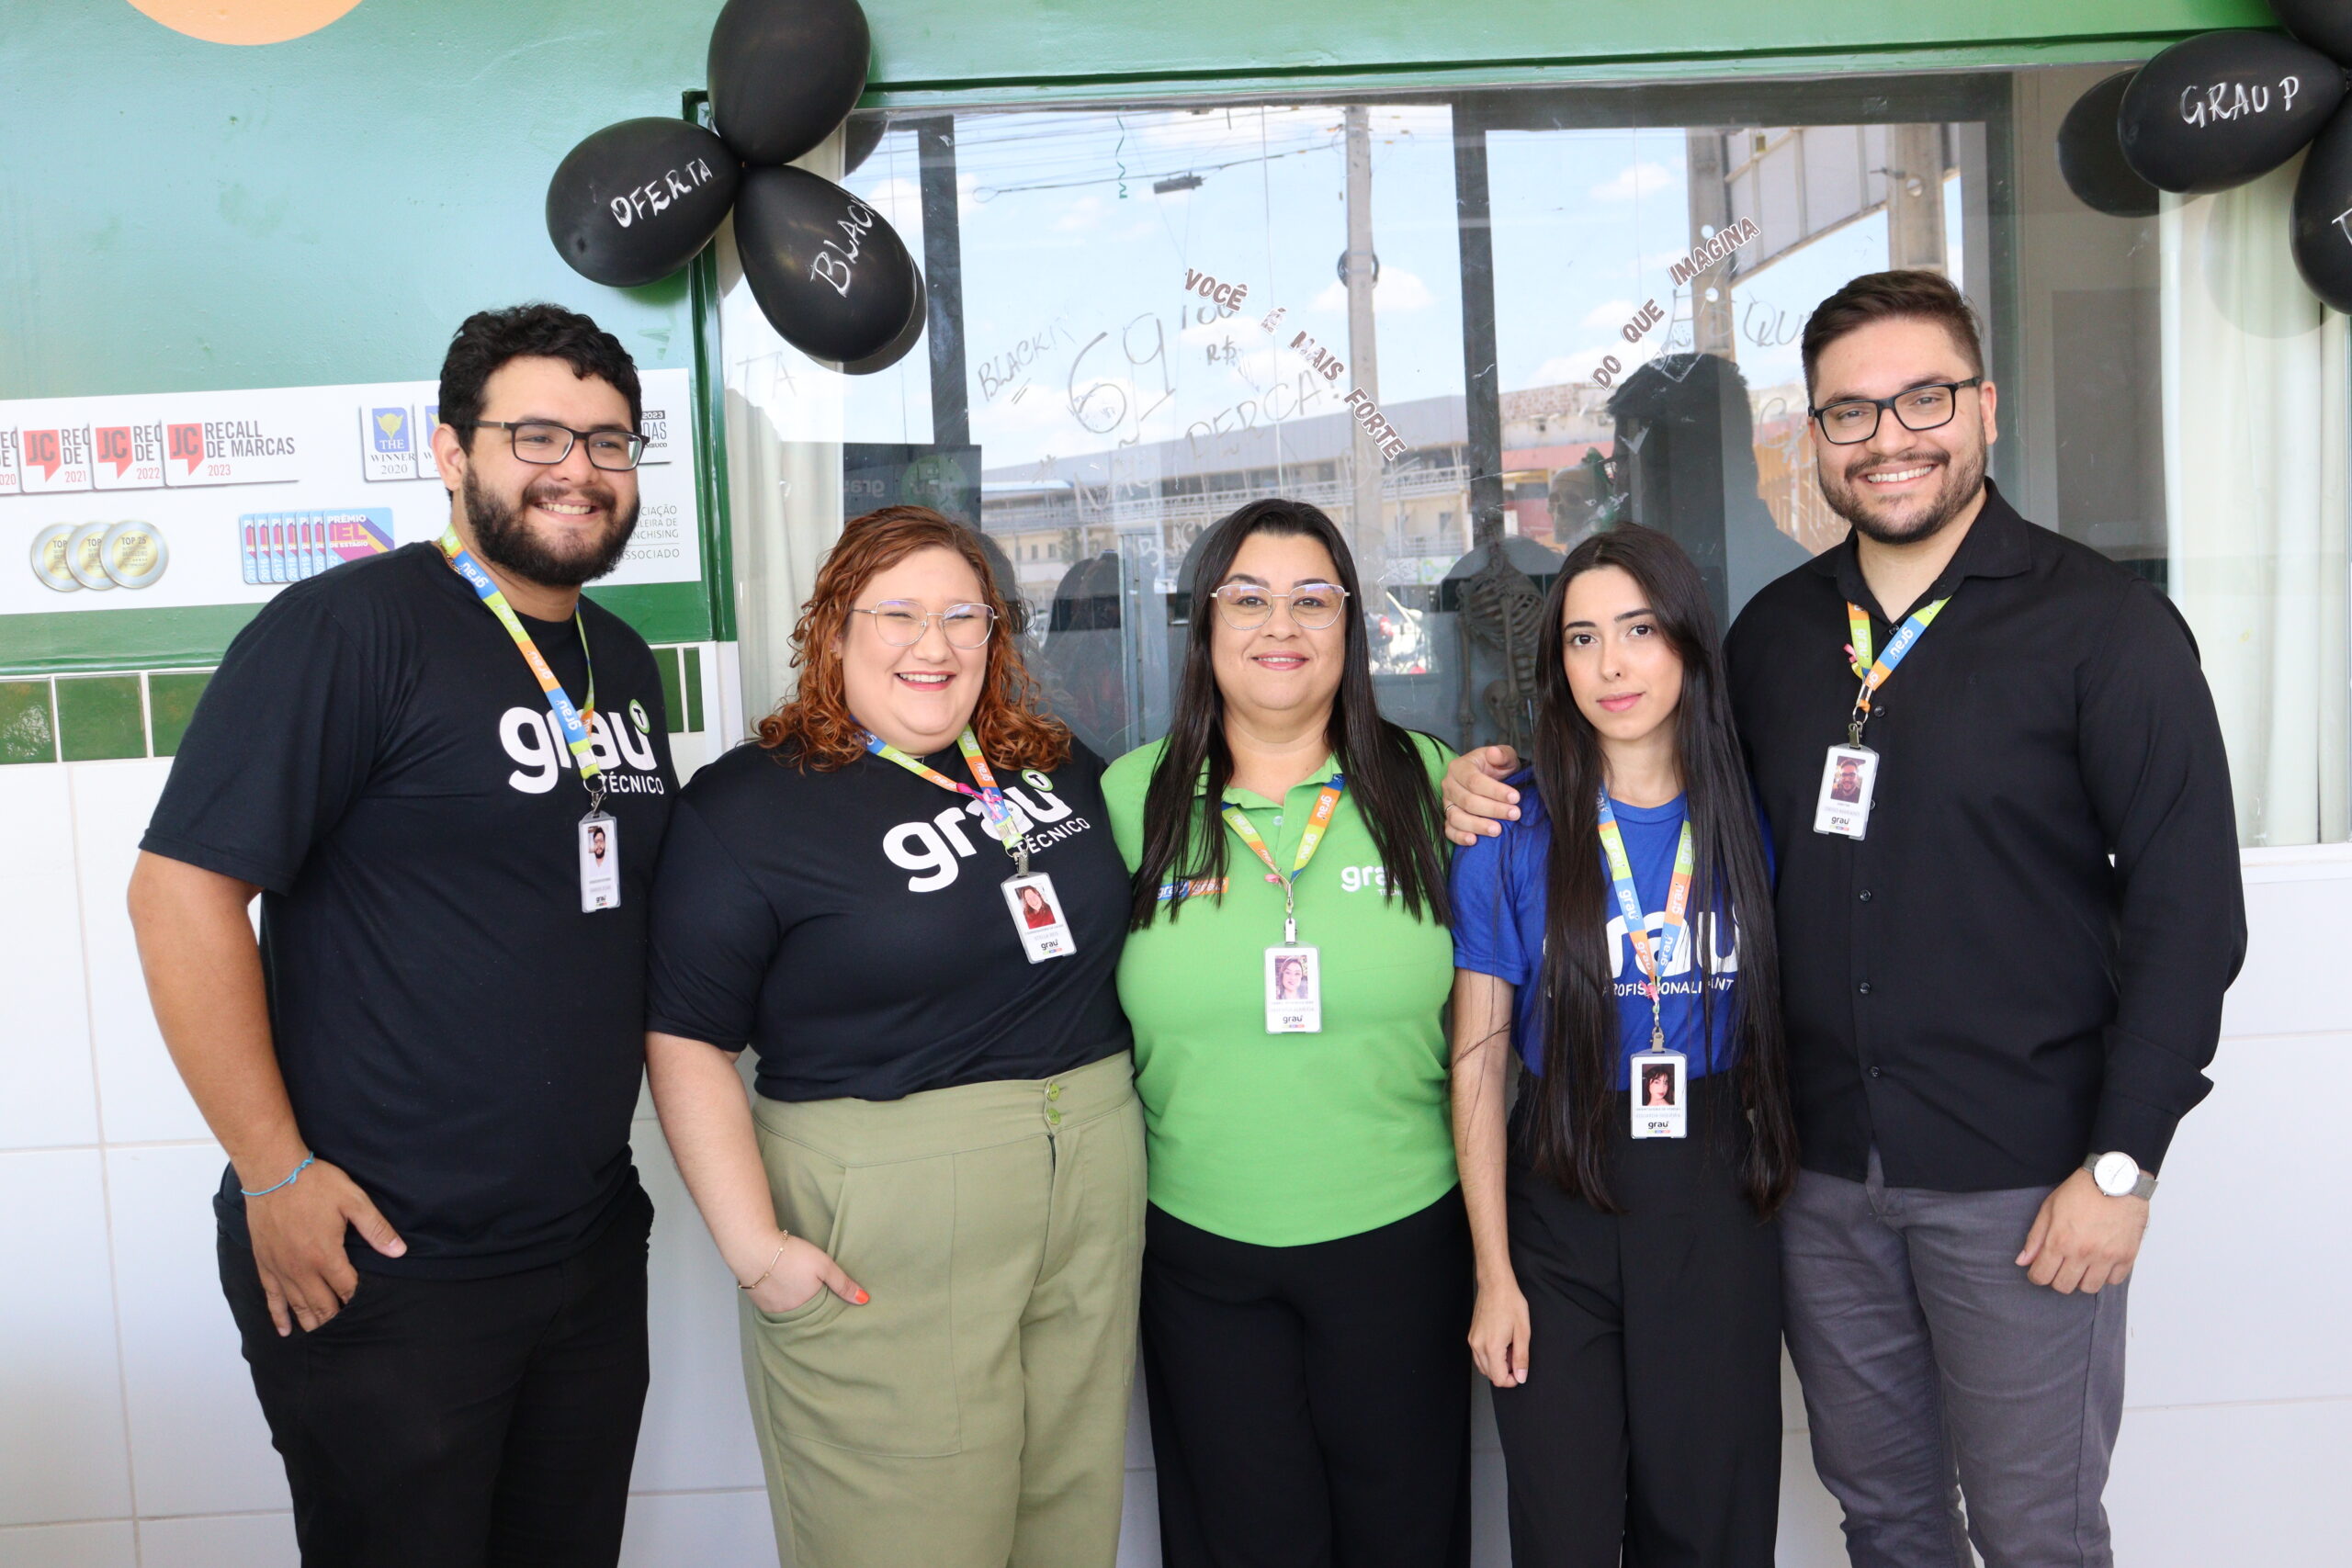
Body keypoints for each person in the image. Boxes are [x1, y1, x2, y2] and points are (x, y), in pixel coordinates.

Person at [1444, 271, 2245, 1568]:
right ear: (1812, 438)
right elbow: (1649, 769)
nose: (1890, 437)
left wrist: (2121, 1164)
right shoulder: (1774, 638)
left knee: (2037, 1530)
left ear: (1983, 406)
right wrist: (1485, 779)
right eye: (1850, 412)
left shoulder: (2107, 630)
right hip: (1812, 1179)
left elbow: (2190, 914)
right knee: (1887, 1521)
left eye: (1923, 397)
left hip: (2021, 1183)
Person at [127, 304, 672, 1567]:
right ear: (448, 451)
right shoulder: (349, 630)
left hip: (584, 1246)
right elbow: (181, 893)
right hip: (383, 1260)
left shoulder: (622, 661)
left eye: (608, 439)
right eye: (535, 432)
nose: (576, 467)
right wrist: (272, 1173)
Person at [641, 505, 1145, 1568]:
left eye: (965, 616)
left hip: (1088, 1198)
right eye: (900, 614)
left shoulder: (1053, 763)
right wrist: (753, 1251)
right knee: (905, 1539)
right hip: (888, 1219)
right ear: (832, 629)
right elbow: (685, 1037)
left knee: (1067, 1522)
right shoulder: (748, 807)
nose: (937, 644)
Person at [1104, 498, 1469, 1568]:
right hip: (1198, 1254)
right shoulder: (1132, 797)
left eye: (1314, 599)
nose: (1283, 625)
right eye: (1249, 598)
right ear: (1205, 625)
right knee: (1243, 1539)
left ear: (1352, 627)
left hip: (1401, 1238)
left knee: (1405, 1535)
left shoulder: (1434, 783)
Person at [1449, 524, 1794, 1567]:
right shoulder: (1510, 825)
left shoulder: (1755, 811)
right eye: (1582, 638)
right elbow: (1478, 1065)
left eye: (1639, 631)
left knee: (1708, 1528)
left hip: (1717, 1201)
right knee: (1563, 1531)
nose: (1611, 666)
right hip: (1561, 1199)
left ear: (1686, 640)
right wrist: (1493, 1273)